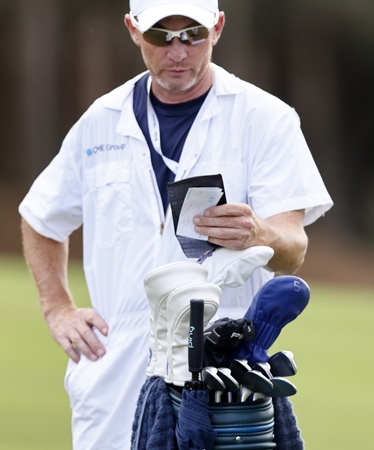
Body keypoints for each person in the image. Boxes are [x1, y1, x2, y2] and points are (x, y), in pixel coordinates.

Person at [18, 0, 333, 448]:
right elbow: (41, 217)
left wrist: (259, 233)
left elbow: (293, 250)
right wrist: (58, 309)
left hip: (221, 369)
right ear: (132, 30)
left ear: (219, 28)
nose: (179, 51)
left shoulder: (265, 119)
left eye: (194, 34)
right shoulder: (100, 121)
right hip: (114, 369)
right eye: (161, 36)